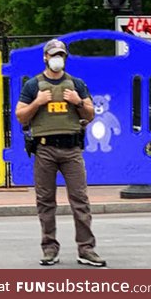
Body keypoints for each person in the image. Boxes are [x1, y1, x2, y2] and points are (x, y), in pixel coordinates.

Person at [15, 39, 106, 267]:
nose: (58, 59)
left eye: (61, 55)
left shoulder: (76, 84)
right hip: (44, 148)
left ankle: (86, 249)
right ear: (45, 57)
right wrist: (37, 102)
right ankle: (49, 248)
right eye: (54, 54)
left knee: (80, 200)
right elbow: (20, 115)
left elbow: (91, 113)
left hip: (72, 150)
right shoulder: (33, 85)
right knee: (45, 201)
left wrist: (77, 102)